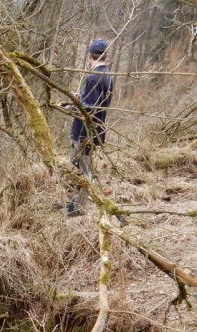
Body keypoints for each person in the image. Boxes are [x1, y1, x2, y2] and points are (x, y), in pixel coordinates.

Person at [67, 38, 114, 217]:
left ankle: (78, 208)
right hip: (94, 130)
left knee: (81, 170)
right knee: (82, 168)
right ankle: (75, 203)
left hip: (84, 132)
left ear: (89, 56)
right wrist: (80, 98)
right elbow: (94, 101)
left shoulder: (95, 77)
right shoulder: (107, 75)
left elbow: (90, 109)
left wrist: (72, 105)